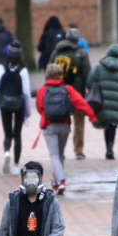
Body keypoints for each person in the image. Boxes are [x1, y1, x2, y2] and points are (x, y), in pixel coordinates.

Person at [37, 63, 97, 194]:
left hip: (50, 126)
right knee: (60, 155)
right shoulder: (67, 89)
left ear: (47, 74)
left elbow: (39, 107)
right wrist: (93, 117)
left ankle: (61, 181)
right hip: (64, 125)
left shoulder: (42, 90)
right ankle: (56, 183)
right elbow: (81, 102)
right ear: (60, 74)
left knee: (54, 155)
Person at [0, 41, 32, 175]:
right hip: (19, 104)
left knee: (7, 133)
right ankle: (15, 165)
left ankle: (7, 152)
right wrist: (28, 111)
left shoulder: (1, 68)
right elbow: (26, 92)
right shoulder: (23, 69)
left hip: (5, 104)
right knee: (17, 134)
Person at [52, 28, 92, 160]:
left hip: (58, 93)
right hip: (77, 94)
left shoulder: (55, 53)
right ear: (78, 39)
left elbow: (49, 73)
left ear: (66, 37)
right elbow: (88, 76)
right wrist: (90, 91)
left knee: (59, 121)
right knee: (79, 122)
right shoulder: (81, 54)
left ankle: (58, 150)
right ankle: (78, 150)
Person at [88, 43, 118, 160]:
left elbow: (89, 82)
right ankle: (110, 148)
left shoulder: (98, 68)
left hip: (101, 102)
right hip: (117, 102)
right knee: (112, 125)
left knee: (106, 124)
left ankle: (108, 148)